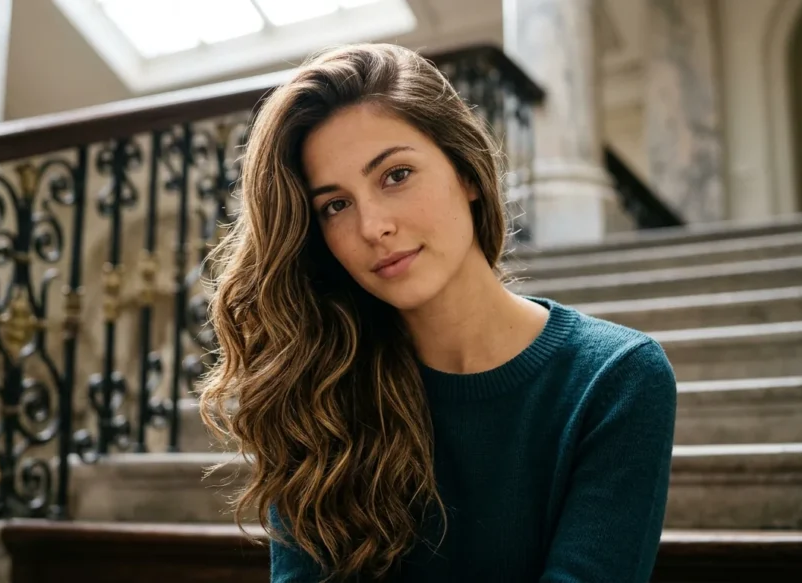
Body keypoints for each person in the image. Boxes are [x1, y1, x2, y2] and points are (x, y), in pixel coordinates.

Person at [197, 43, 677, 582]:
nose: (372, 227)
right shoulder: (317, 390)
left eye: (396, 175)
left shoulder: (615, 378)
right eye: (335, 205)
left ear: (466, 171)